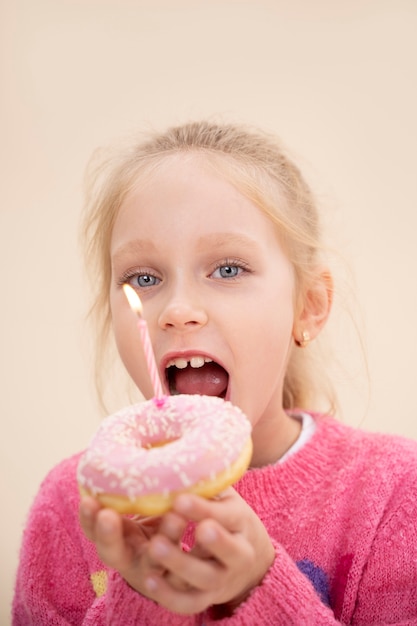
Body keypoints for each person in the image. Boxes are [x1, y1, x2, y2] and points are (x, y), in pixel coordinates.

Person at [13, 120, 417, 625]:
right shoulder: (73, 507)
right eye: (144, 278)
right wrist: (144, 596)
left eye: (228, 269)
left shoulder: (393, 493)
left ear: (309, 306)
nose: (178, 309)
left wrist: (258, 586)